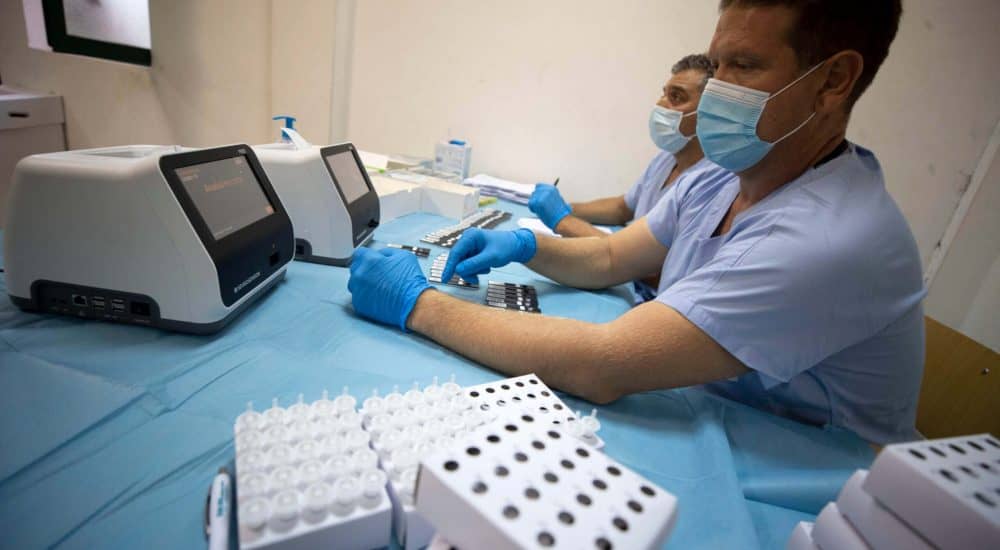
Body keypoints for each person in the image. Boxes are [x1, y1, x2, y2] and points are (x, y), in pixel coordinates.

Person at [348, 0, 923, 445]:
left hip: (808, 473)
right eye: (717, 64)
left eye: (744, 66)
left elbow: (601, 365)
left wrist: (418, 304)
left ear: (833, 80)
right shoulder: (722, 176)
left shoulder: (830, 239)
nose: (715, 91)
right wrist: (525, 244)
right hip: (710, 407)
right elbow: (609, 256)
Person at [529, 53, 731, 302]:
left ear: (710, 112)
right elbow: (622, 207)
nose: (660, 104)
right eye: (664, 93)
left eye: (676, 97)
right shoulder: (667, 158)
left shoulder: (712, 184)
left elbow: (645, 267)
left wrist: (563, 221)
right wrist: (567, 208)